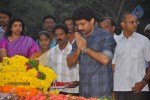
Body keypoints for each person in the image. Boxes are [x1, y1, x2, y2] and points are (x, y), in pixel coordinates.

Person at [67, 5, 116, 99]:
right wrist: (78, 50)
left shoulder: (106, 36)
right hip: (83, 94)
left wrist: (85, 48)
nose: (79, 27)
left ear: (92, 21)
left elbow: (105, 59)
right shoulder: (78, 38)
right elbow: (69, 63)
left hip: (102, 94)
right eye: (77, 25)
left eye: (82, 24)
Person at [112, 11, 150, 100]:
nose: (135, 24)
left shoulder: (144, 41)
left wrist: (144, 82)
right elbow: (113, 67)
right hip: (119, 89)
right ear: (123, 24)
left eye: (136, 22)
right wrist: (112, 89)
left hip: (139, 89)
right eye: (131, 22)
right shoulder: (115, 42)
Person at [47, 24, 79, 96]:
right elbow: (49, 70)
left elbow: (80, 68)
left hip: (72, 90)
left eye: (61, 34)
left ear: (67, 35)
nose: (59, 37)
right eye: (56, 35)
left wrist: (78, 81)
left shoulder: (74, 51)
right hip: (55, 91)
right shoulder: (51, 52)